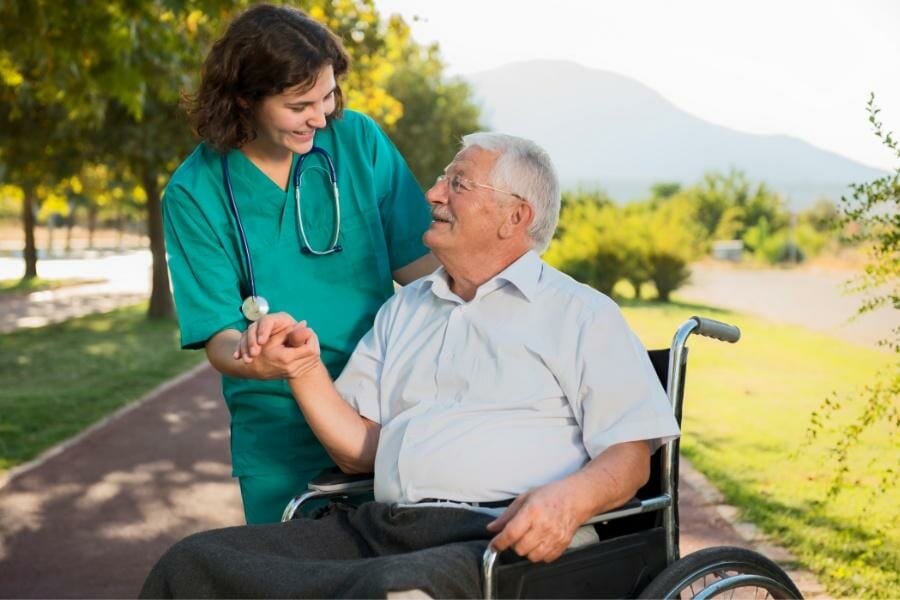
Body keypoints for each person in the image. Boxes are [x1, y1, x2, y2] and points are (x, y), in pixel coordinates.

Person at [141, 133, 680, 598]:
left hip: (498, 536)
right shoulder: (405, 308)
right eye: (443, 180)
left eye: (459, 184)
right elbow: (358, 453)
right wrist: (304, 369)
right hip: (382, 528)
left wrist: (569, 499)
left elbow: (631, 457)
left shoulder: (580, 313)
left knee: (394, 593)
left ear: (515, 216)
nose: (433, 194)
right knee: (191, 565)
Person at [163, 4, 437, 524]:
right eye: (299, 105)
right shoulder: (193, 193)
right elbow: (219, 335)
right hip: (280, 429)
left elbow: (423, 266)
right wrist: (259, 359)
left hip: (385, 408)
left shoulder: (357, 141)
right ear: (244, 99)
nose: (320, 116)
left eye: (328, 95)